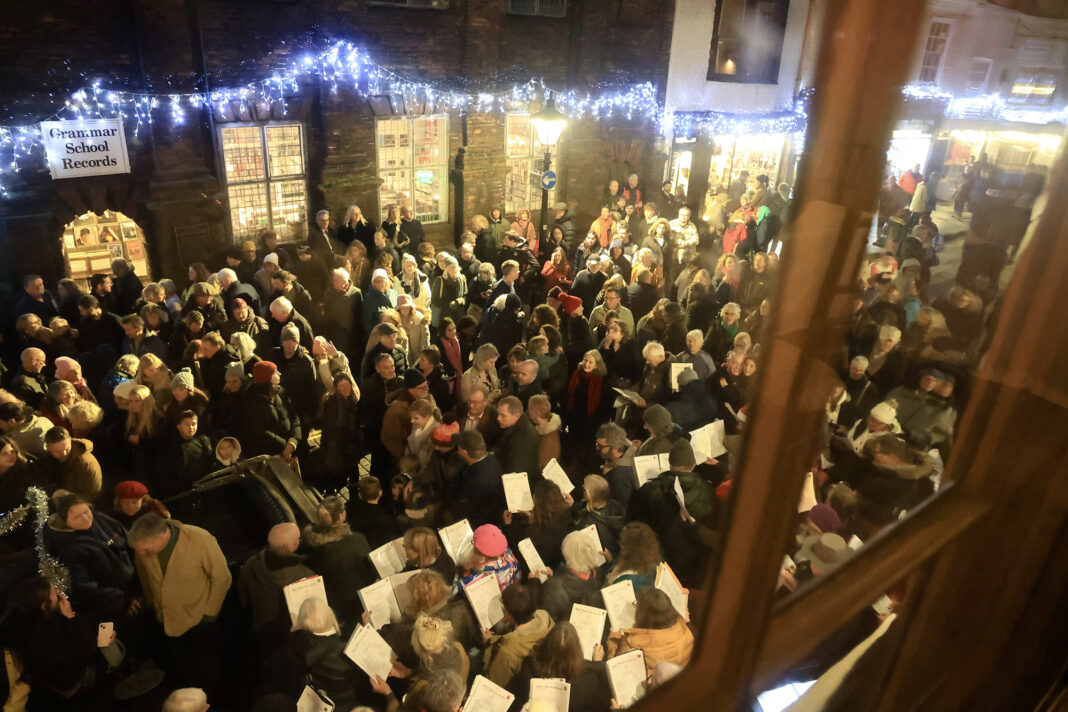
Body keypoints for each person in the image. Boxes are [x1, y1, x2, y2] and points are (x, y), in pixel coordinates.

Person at [129, 513, 231, 691]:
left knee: (207, 672)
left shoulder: (199, 539)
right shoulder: (142, 550)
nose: (141, 554)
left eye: (145, 549)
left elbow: (222, 578)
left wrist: (209, 614)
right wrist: (153, 606)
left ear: (161, 536)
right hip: (167, 622)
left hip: (199, 621)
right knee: (183, 672)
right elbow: (146, 579)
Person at [238, 522, 315, 649]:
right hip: (292, 642)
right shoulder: (305, 575)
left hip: (260, 634)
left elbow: (244, 599)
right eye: (298, 539)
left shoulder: (250, 565)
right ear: (292, 546)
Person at [605, 587, 694, 675]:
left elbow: (615, 667)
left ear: (643, 614)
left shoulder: (631, 644)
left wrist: (613, 639)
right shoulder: (683, 627)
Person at [481, 581, 554, 688]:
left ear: (506, 614)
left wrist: (488, 644)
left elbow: (495, 683)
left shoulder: (507, 651)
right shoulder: (545, 618)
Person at [37, 426, 102, 501]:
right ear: (48, 448)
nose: (64, 453)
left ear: (70, 441)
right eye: (58, 451)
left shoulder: (86, 464)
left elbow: (93, 495)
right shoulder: (49, 459)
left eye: (67, 449)